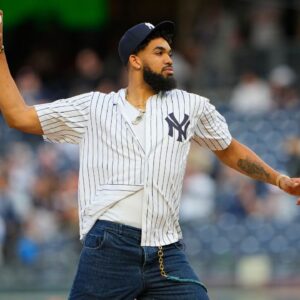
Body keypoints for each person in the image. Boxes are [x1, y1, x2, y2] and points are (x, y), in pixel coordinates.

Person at [0, 11, 300, 300]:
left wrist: (278, 179)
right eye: (158, 52)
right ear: (134, 60)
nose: (169, 58)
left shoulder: (190, 105)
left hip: (165, 250)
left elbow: (228, 148)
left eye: (169, 51)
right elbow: (18, 115)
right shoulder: (94, 108)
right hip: (109, 247)